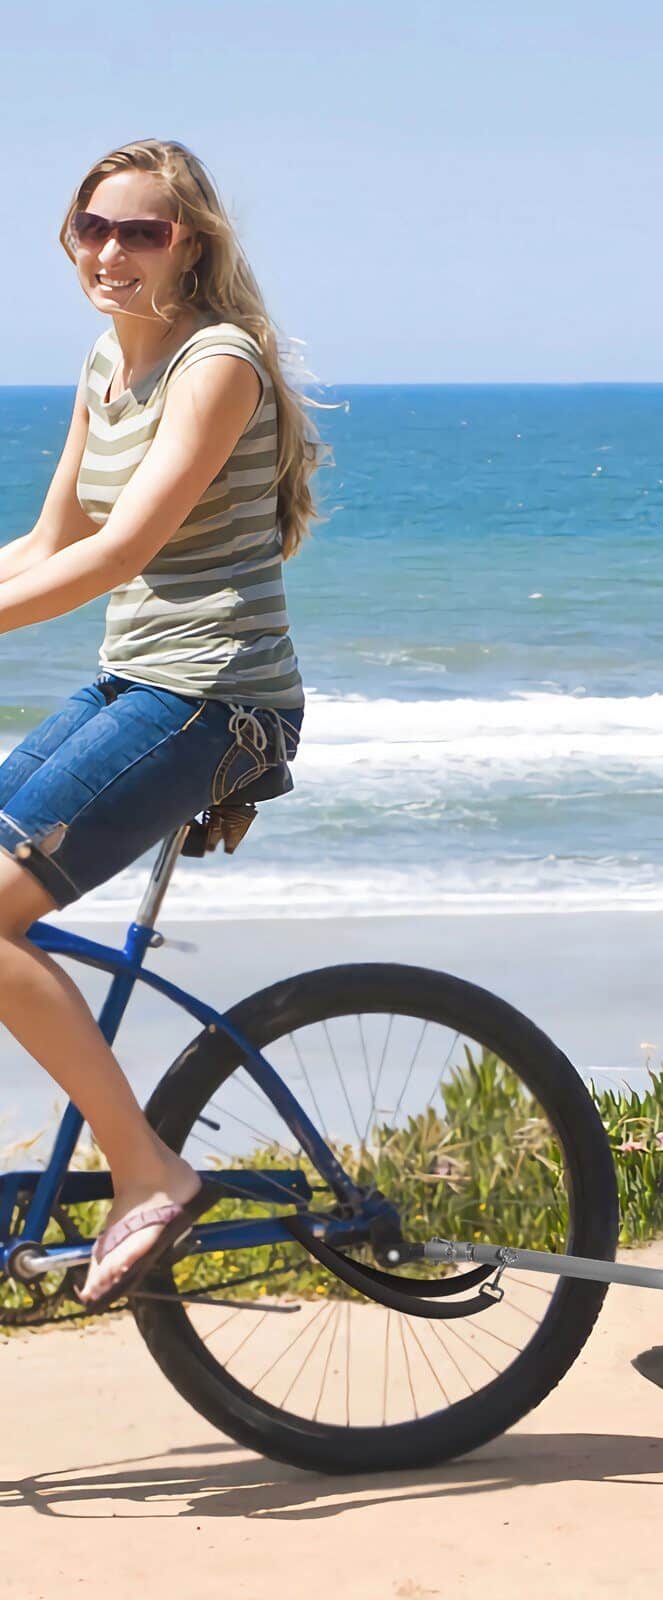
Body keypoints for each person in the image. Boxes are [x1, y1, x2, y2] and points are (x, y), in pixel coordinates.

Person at [0, 139, 327, 1311]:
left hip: (215, 699)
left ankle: (150, 1169)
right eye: (93, 228)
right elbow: (49, 542)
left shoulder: (215, 364)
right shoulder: (107, 360)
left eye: (141, 231)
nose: (111, 251)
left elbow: (118, 554)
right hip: (134, 681)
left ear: (189, 244)